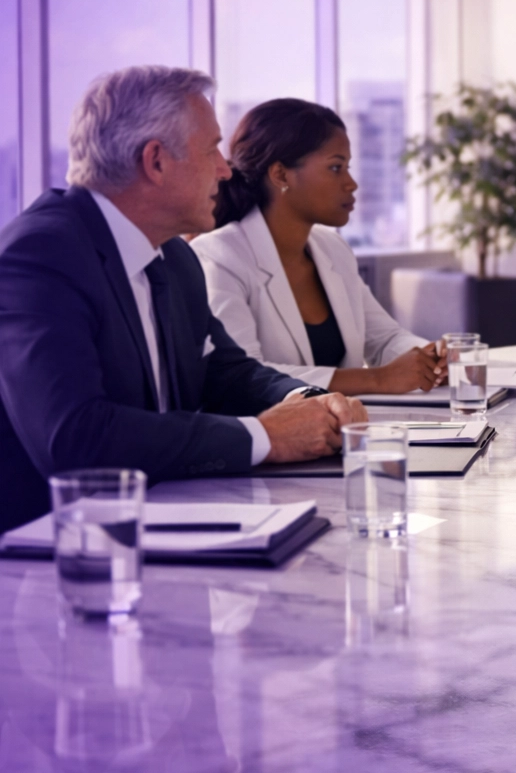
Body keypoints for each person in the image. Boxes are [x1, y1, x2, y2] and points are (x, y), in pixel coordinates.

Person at [0, 67, 366, 531]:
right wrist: (264, 436)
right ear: (155, 161)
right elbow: (74, 438)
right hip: (54, 558)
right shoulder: (42, 255)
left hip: (164, 524)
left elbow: (225, 372)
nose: (226, 169)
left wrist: (311, 402)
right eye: (211, 148)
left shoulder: (174, 256)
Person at [192, 99, 444, 395]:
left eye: (347, 167)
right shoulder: (219, 257)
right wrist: (377, 380)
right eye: (336, 167)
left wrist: (432, 358)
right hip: (276, 437)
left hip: (346, 429)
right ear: (281, 175)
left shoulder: (332, 248)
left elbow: (385, 339)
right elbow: (244, 377)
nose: (351, 183)